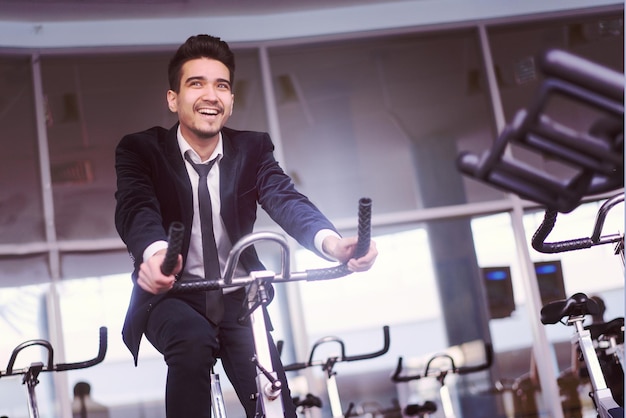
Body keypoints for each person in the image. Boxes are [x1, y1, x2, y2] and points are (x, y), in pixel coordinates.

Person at [114, 34, 378, 418]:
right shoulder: (141, 150)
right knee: (192, 341)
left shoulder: (252, 149)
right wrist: (156, 254)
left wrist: (334, 245)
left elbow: (285, 199)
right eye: (196, 83)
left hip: (241, 298)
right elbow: (136, 208)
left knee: (273, 395)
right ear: (173, 99)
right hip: (172, 296)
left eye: (221, 85)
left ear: (232, 102)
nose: (211, 95)